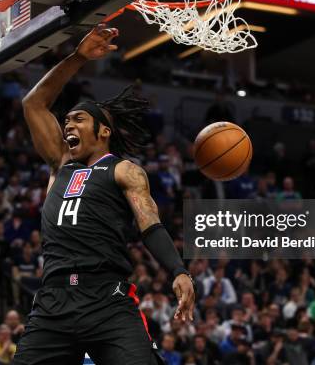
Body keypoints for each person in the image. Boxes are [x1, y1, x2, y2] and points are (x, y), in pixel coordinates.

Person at [13, 25, 195, 365]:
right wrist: (78, 57)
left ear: (104, 131)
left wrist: (178, 271)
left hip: (106, 299)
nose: (68, 125)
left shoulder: (124, 170)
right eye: (65, 121)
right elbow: (34, 102)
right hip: (53, 300)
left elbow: (150, 226)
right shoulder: (59, 166)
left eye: (78, 119)